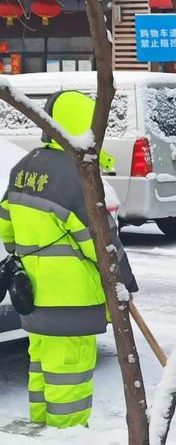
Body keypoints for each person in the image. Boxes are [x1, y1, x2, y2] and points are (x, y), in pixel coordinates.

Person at [0, 90, 137, 428]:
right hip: (71, 300)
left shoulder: (23, 166)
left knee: (42, 369)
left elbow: (7, 232)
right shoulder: (78, 178)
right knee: (69, 378)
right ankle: (68, 434)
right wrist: (125, 285)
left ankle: (40, 430)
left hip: (32, 298)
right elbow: (103, 245)